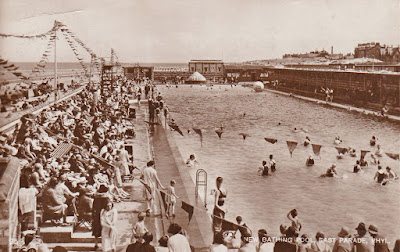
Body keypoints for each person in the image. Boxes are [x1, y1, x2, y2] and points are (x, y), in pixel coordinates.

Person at [93, 185, 111, 250]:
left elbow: (93, 207)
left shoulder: (96, 197)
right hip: (104, 215)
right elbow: (109, 207)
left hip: (97, 215)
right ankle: (106, 245)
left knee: (96, 230)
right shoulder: (106, 198)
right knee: (105, 230)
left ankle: (96, 244)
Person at [212, 177, 227, 242]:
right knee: (221, 227)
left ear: (217, 182)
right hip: (223, 211)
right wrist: (224, 209)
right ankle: (221, 241)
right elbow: (224, 202)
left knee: (216, 228)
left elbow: (216, 205)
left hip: (217, 211)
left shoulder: (217, 192)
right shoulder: (224, 191)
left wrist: (221, 210)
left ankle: (215, 242)